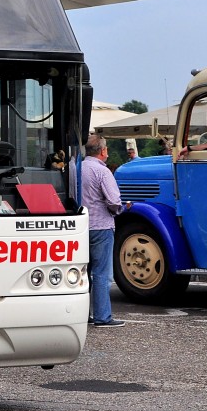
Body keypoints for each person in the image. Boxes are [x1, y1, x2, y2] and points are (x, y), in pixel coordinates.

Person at [81, 134, 129, 328]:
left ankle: (83, 314)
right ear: (102, 151)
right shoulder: (103, 172)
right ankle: (103, 317)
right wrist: (123, 208)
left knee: (84, 273)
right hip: (101, 227)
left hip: (81, 226)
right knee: (101, 274)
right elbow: (113, 201)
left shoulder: (77, 168)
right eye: (106, 148)